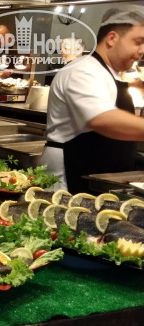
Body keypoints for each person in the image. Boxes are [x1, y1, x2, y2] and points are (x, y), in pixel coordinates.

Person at [42, 5, 144, 193]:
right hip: (71, 176)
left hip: (96, 175)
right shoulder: (83, 70)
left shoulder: (110, 73)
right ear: (112, 38)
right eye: (138, 42)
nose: (142, 50)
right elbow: (103, 120)